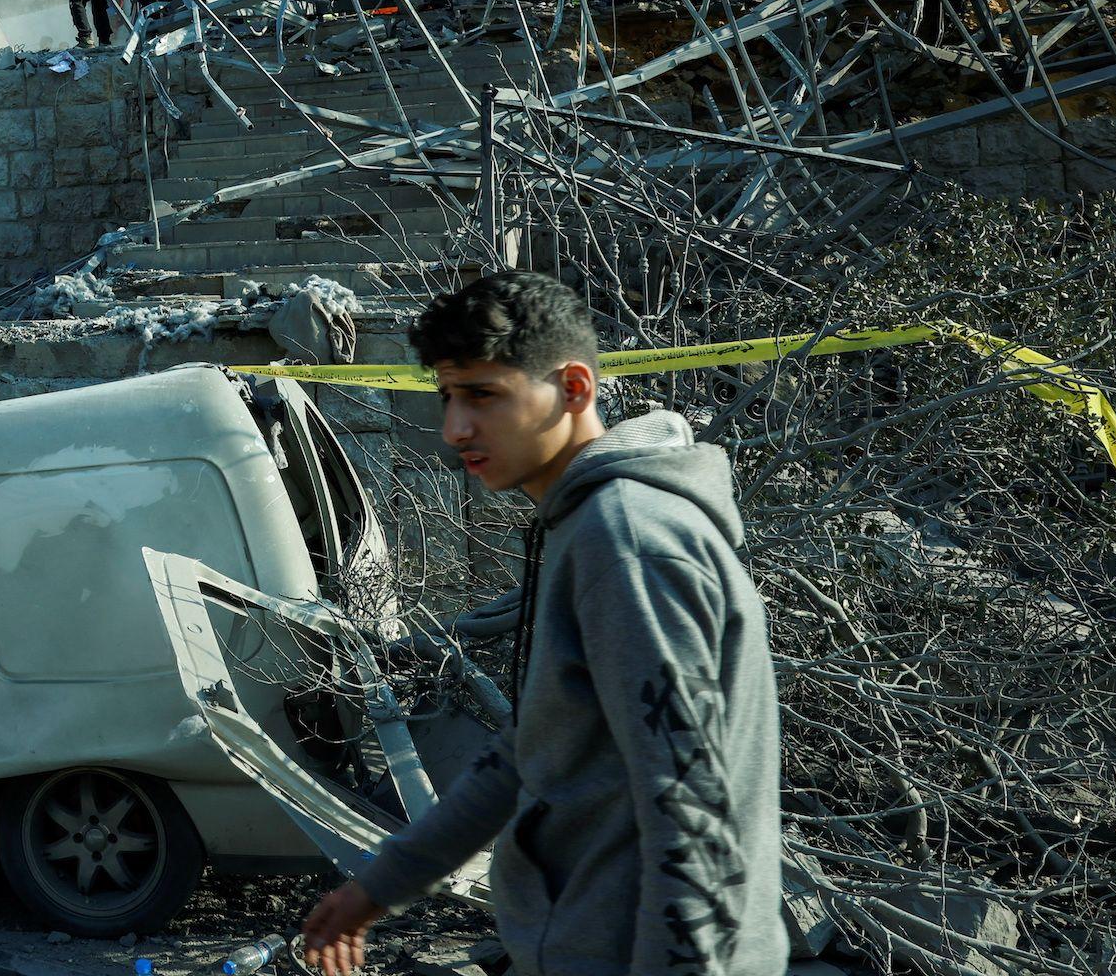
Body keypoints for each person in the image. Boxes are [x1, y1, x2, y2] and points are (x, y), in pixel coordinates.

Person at [303, 272, 784, 976]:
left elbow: (691, 813)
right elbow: (529, 751)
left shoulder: (625, 541)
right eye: (446, 396)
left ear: (575, 389)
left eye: (483, 395)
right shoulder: (585, 526)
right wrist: (377, 889)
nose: (454, 429)